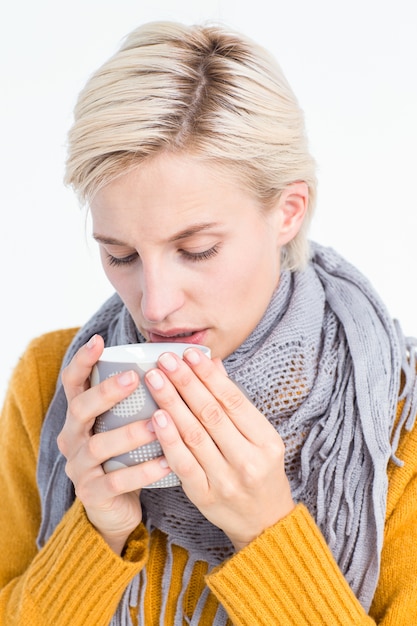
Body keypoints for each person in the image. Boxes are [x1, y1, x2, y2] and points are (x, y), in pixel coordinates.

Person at [0, 20, 416, 626]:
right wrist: (96, 534)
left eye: (196, 250)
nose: (156, 303)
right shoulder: (54, 386)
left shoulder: (397, 418)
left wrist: (268, 532)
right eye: (121, 255)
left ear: (288, 213)